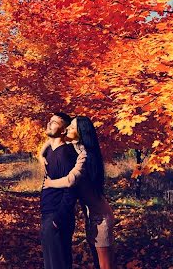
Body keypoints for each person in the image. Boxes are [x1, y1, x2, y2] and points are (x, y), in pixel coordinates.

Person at [41, 116, 115, 269]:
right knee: (96, 260)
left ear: (81, 133)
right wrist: (40, 155)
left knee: (104, 264)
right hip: (90, 214)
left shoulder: (84, 155)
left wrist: (49, 183)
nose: (68, 129)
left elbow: (70, 180)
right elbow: (50, 141)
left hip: (100, 216)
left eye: (72, 128)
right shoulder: (75, 147)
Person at [39, 112, 80, 269]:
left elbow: (72, 189)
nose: (49, 124)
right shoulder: (50, 150)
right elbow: (47, 144)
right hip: (47, 213)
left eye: (54, 122)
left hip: (57, 216)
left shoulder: (66, 155)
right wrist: (41, 155)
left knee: (59, 264)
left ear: (63, 130)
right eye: (49, 121)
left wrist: (59, 219)